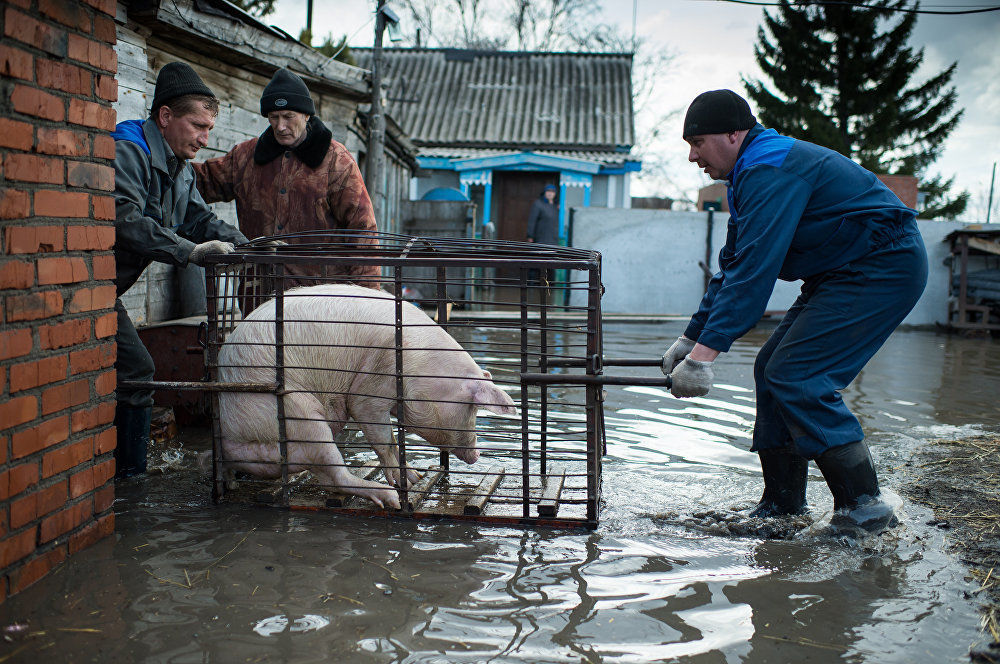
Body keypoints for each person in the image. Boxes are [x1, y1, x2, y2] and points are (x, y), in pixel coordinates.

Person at [662, 90, 928, 532]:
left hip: (883, 265)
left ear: (733, 134)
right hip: (842, 271)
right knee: (771, 369)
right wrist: (692, 337)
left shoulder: (770, 169)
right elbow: (734, 263)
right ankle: (783, 507)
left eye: (698, 142)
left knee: (799, 375)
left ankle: (865, 511)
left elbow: (754, 274)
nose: (692, 156)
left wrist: (703, 358)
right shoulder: (750, 172)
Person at [111, 62, 248, 478]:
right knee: (137, 370)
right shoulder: (128, 150)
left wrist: (249, 245)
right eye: (198, 126)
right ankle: (128, 480)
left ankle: (119, 467)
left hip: (107, 288)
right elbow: (124, 219)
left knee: (129, 370)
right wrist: (190, 252)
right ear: (165, 116)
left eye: (209, 128)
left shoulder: (179, 167)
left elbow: (199, 220)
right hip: (85, 285)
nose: (205, 140)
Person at [192, 68, 380, 314]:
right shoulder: (245, 158)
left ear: (305, 115)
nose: (280, 126)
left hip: (321, 302)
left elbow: (363, 233)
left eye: (288, 116)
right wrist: (160, 161)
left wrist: (367, 306)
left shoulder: (337, 162)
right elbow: (200, 182)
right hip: (258, 297)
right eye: (273, 117)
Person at [525, 183, 559, 294]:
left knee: (551, 264)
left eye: (552, 192)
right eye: (548, 191)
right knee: (536, 263)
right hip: (540, 238)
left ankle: (549, 288)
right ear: (544, 193)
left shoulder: (555, 206)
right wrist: (530, 235)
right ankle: (531, 287)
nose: (550, 194)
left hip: (552, 240)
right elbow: (532, 221)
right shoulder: (538, 204)